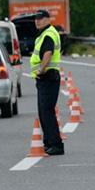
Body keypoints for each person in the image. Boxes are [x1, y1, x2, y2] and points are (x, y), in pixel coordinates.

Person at [30, 9, 63, 155]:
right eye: (36, 18)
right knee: (43, 112)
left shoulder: (48, 34)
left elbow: (48, 53)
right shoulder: (43, 34)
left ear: (48, 19)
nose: (37, 21)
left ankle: (56, 145)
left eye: (41, 18)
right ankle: (49, 143)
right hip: (45, 78)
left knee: (47, 112)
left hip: (48, 77)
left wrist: (42, 69)